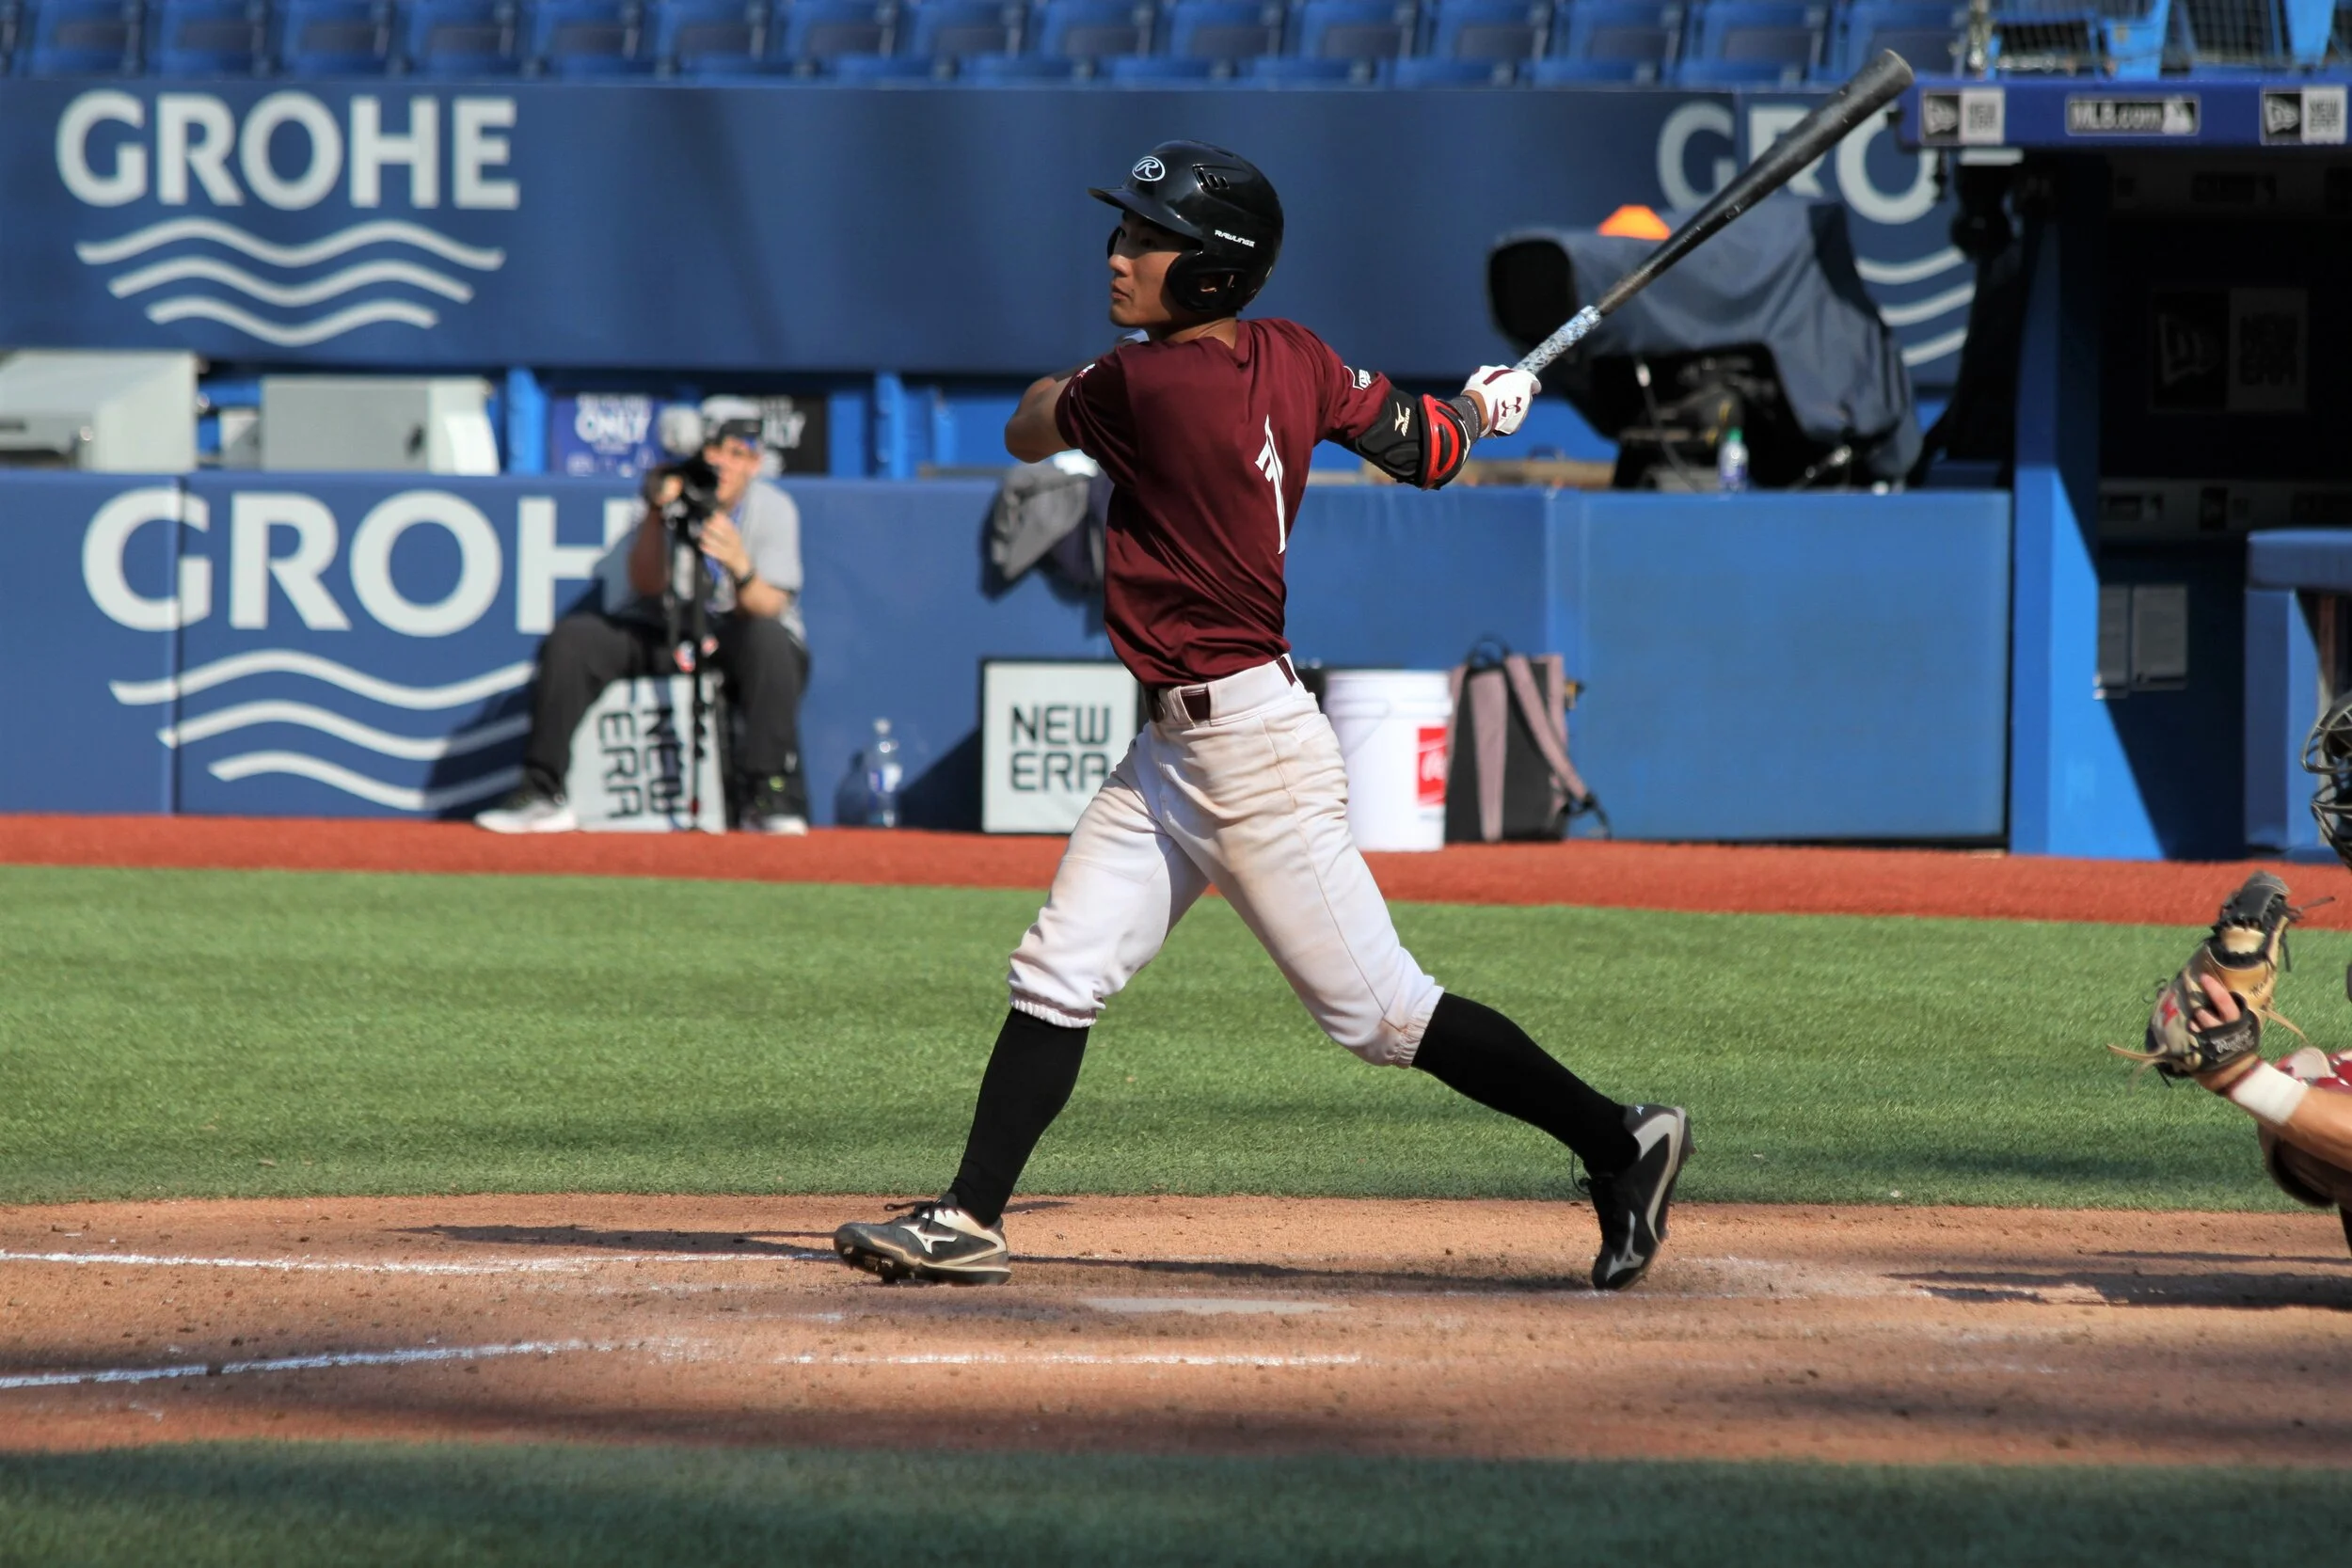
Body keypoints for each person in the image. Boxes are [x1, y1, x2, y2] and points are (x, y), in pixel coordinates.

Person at [833, 141, 1691, 1293]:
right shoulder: (1293, 353)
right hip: (1175, 748)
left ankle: (1620, 1140)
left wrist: (1464, 413)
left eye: (1150, 241)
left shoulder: (1144, 387)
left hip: (1250, 753)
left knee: (1384, 1015)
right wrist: (1482, 409)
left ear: (1212, 268)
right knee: (1060, 968)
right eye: (1126, 232)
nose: (1119, 255)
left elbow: (1025, 428)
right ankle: (970, 1214)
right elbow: (1426, 451)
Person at [476, 398, 812, 835]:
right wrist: (656, 513)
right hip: (664, 629)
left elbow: (770, 606)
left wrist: (739, 565)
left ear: (754, 463)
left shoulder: (773, 507)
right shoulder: (666, 493)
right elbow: (647, 584)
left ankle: (766, 797)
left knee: (770, 641)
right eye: (714, 451)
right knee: (576, 639)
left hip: (733, 635)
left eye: (737, 454)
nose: (723, 465)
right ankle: (542, 791)